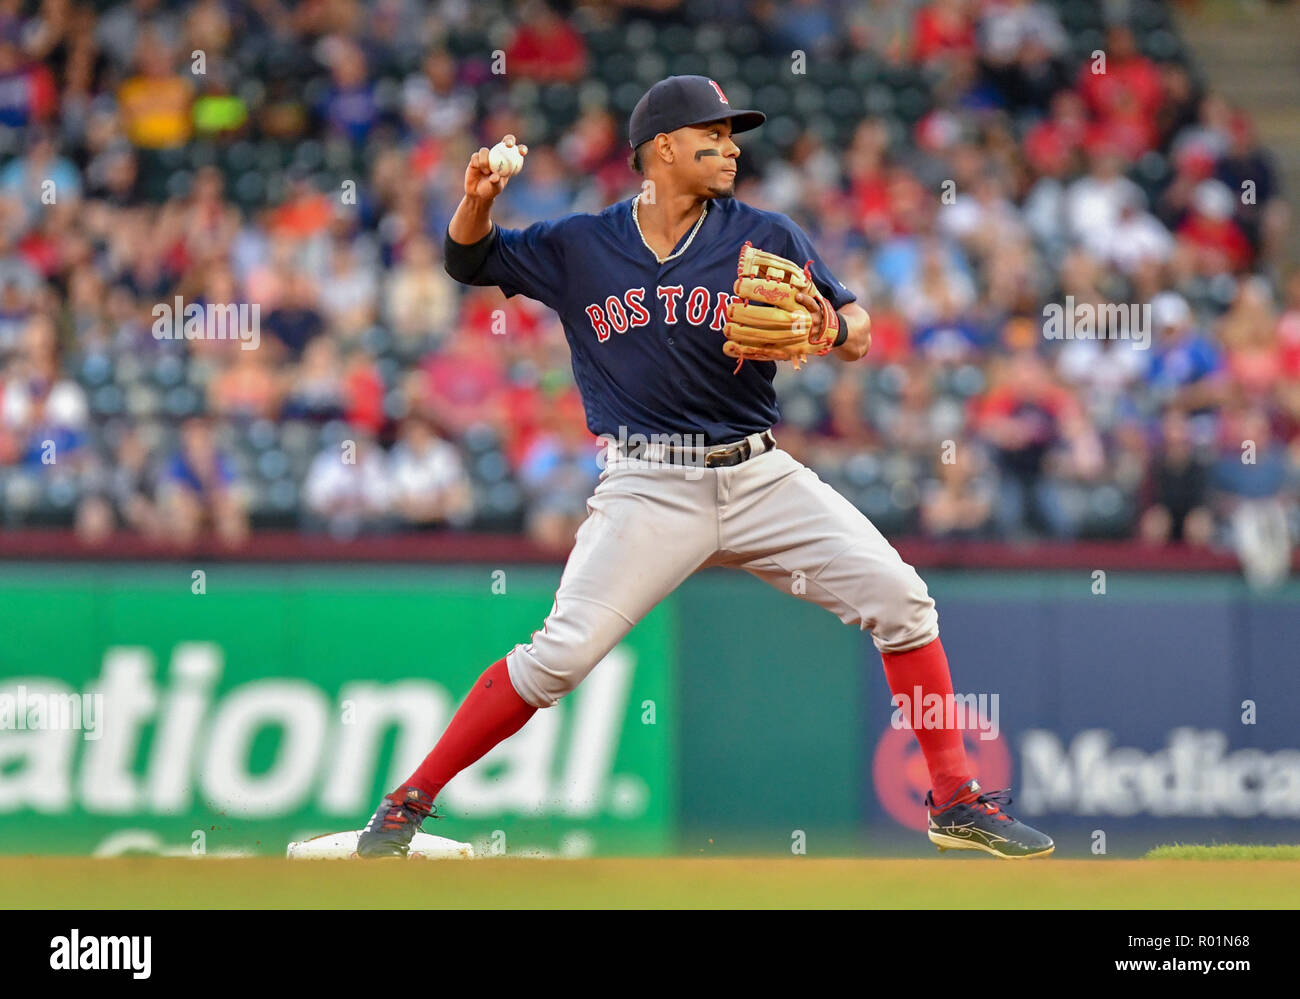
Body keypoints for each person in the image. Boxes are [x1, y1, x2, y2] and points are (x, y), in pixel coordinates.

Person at [357, 77, 1053, 859]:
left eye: (732, 136)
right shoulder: (582, 245)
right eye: (711, 135)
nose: (729, 148)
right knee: (558, 656)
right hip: (647, 484)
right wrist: (478, 197)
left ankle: (954, 799)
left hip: (758, 475)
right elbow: (467, 259)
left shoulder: (765, 233)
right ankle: (405, 803)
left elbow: (857, 328)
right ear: (660, 149)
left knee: (903, 601)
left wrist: (829, 324)